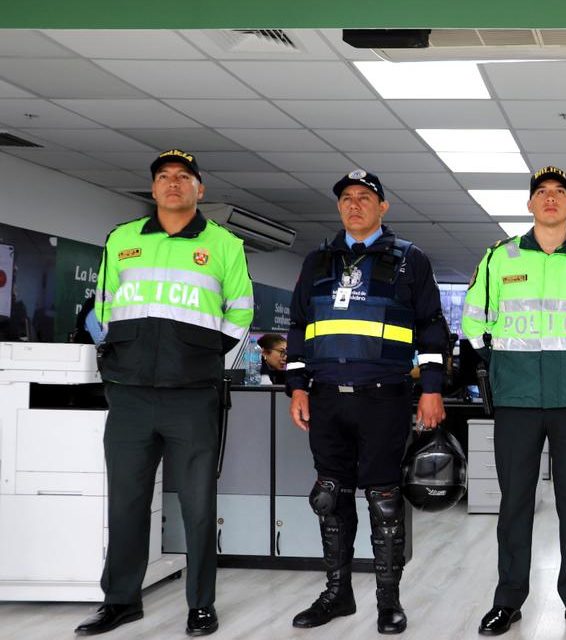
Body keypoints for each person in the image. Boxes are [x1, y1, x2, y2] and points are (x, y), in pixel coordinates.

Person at [78, 149, 253, 637]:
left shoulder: (224, 245)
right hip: (130, 395)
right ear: (152, 189)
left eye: (183, 177)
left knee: (198, 506)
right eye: (163, 178)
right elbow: (104, 308)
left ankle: (201, 604)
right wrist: (117, 357)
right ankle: (120, 601)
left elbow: (239, 314)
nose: (173, 184)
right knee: (126, 502)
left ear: (200, 189)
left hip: (192, 396)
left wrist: (204, 363)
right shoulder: (121, 239)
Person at [461, 166, 566, 637]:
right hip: (516, 397)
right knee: (513, 501)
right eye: (542, 193)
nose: (550, 199)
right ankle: (508, 600)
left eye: (559, 193)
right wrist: (499, 364)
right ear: (530, 205)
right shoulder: (499, 258)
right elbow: (473, 321)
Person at [285, 169, 449, 635]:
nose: (354, 205)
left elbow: (432, 327)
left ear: (383, 207)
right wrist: (296, 386)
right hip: (326, 399)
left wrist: (433, 387)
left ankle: (388, 602)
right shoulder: (318, 260)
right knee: (329, 498)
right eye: (346, 199)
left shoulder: (409, 260)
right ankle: (338, 595)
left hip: (384, 398)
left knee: (384, 501)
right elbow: (298, 328)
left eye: (364, 198)